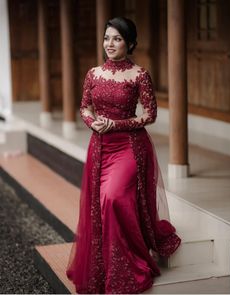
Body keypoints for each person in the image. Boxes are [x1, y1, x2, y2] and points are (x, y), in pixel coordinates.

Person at [66, 16, 181, 294]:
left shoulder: (139, 74)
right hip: (101, 146)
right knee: (102, 204)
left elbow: (150, 115)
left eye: (117, 38)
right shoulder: (93, 74)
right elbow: (85, 107)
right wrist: (93, 123)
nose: (110, 43)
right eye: (107, 38)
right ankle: (105, 265)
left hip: (130, 146)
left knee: (113, 197)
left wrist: (116, 124)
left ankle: (129, 263)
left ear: (129, 43)